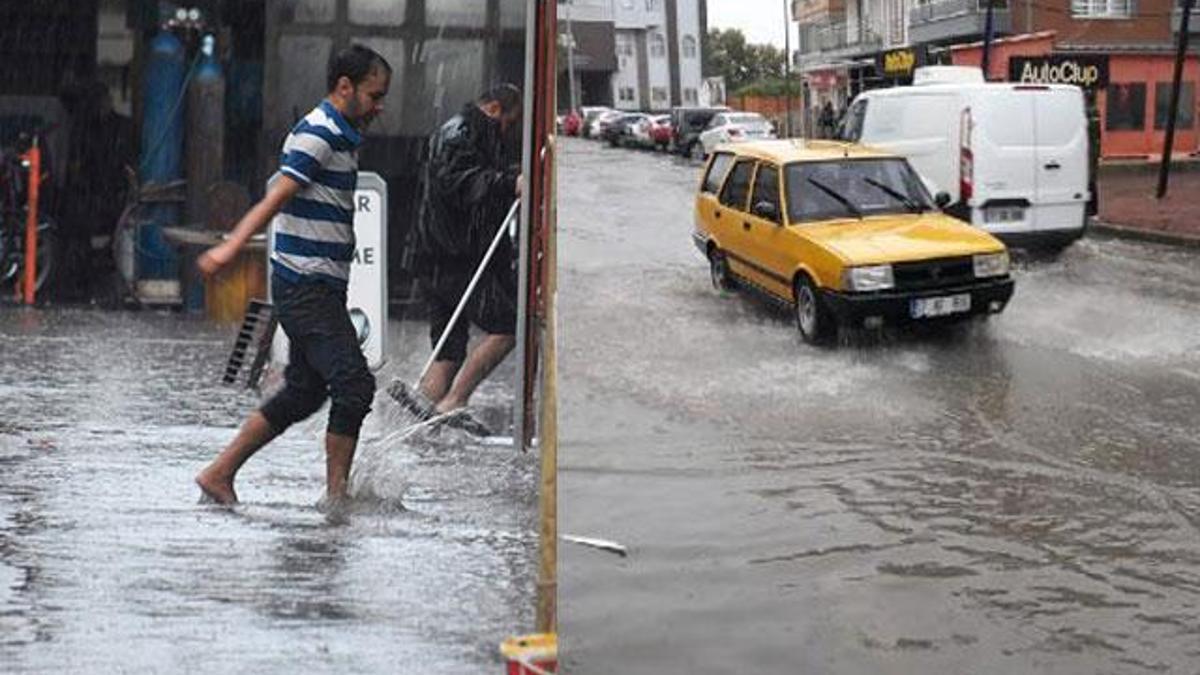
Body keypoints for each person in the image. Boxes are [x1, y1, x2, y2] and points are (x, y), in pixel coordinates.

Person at [194, 44, 392, 505]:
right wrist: (230, 248)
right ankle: (336, 500)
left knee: (305, 391)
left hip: (318, 283)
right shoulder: (318, 135)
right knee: (353, 384)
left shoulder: (341, 134)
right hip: (305, 284)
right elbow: (274, 198)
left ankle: (219, 473)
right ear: (344, 87)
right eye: (374, 94)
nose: (379, 106)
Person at [388, 84, 524, 434]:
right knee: (508, 326)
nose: (509, 130)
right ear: (494, 109)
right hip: (451, 256)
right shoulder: (461, 135)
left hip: (434, 254)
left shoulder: (462, 131)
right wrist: (510, 182)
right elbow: (463, 183)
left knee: (449, 346)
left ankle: (414, 424)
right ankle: (455, 400)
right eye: (510, 121)